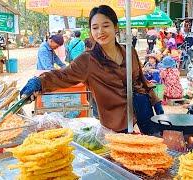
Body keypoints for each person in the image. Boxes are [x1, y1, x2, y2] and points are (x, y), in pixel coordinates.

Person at [20, 5, 164, 135]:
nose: (100, 31)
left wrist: (155, 101)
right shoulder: (87, 60)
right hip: (115, 125)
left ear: (115, 27)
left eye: (105, 25)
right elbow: (62, 76)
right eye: (95, 28)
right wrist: (39, 82)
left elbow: (140, 80)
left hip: (142, 114)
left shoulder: (129, 51)